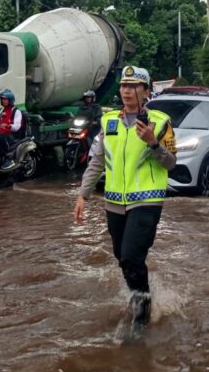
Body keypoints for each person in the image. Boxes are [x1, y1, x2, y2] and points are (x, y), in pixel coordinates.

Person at [73, 66, 176, 329]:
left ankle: (141, 313)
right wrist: (83, 194)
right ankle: (139, 294)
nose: (127, 91)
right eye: (124, 86)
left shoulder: (161, 121)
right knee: (123, 258)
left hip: (146, 201)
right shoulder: (109, 122)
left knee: (131, 255)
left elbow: (171, 163)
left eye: (134, 86)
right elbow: (97, 160)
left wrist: (153, 142)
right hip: (115, 202)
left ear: (145, 91)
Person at [0, 88, 24, 170]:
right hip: (2, 134)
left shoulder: (16, 111)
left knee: (2, 136)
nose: (3, 101)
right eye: (2, 99)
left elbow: (17, 126)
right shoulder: (2, 111)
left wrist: (8, 126)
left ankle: (9, 159)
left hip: (12, 135)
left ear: (10, 100)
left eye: (5, 99)